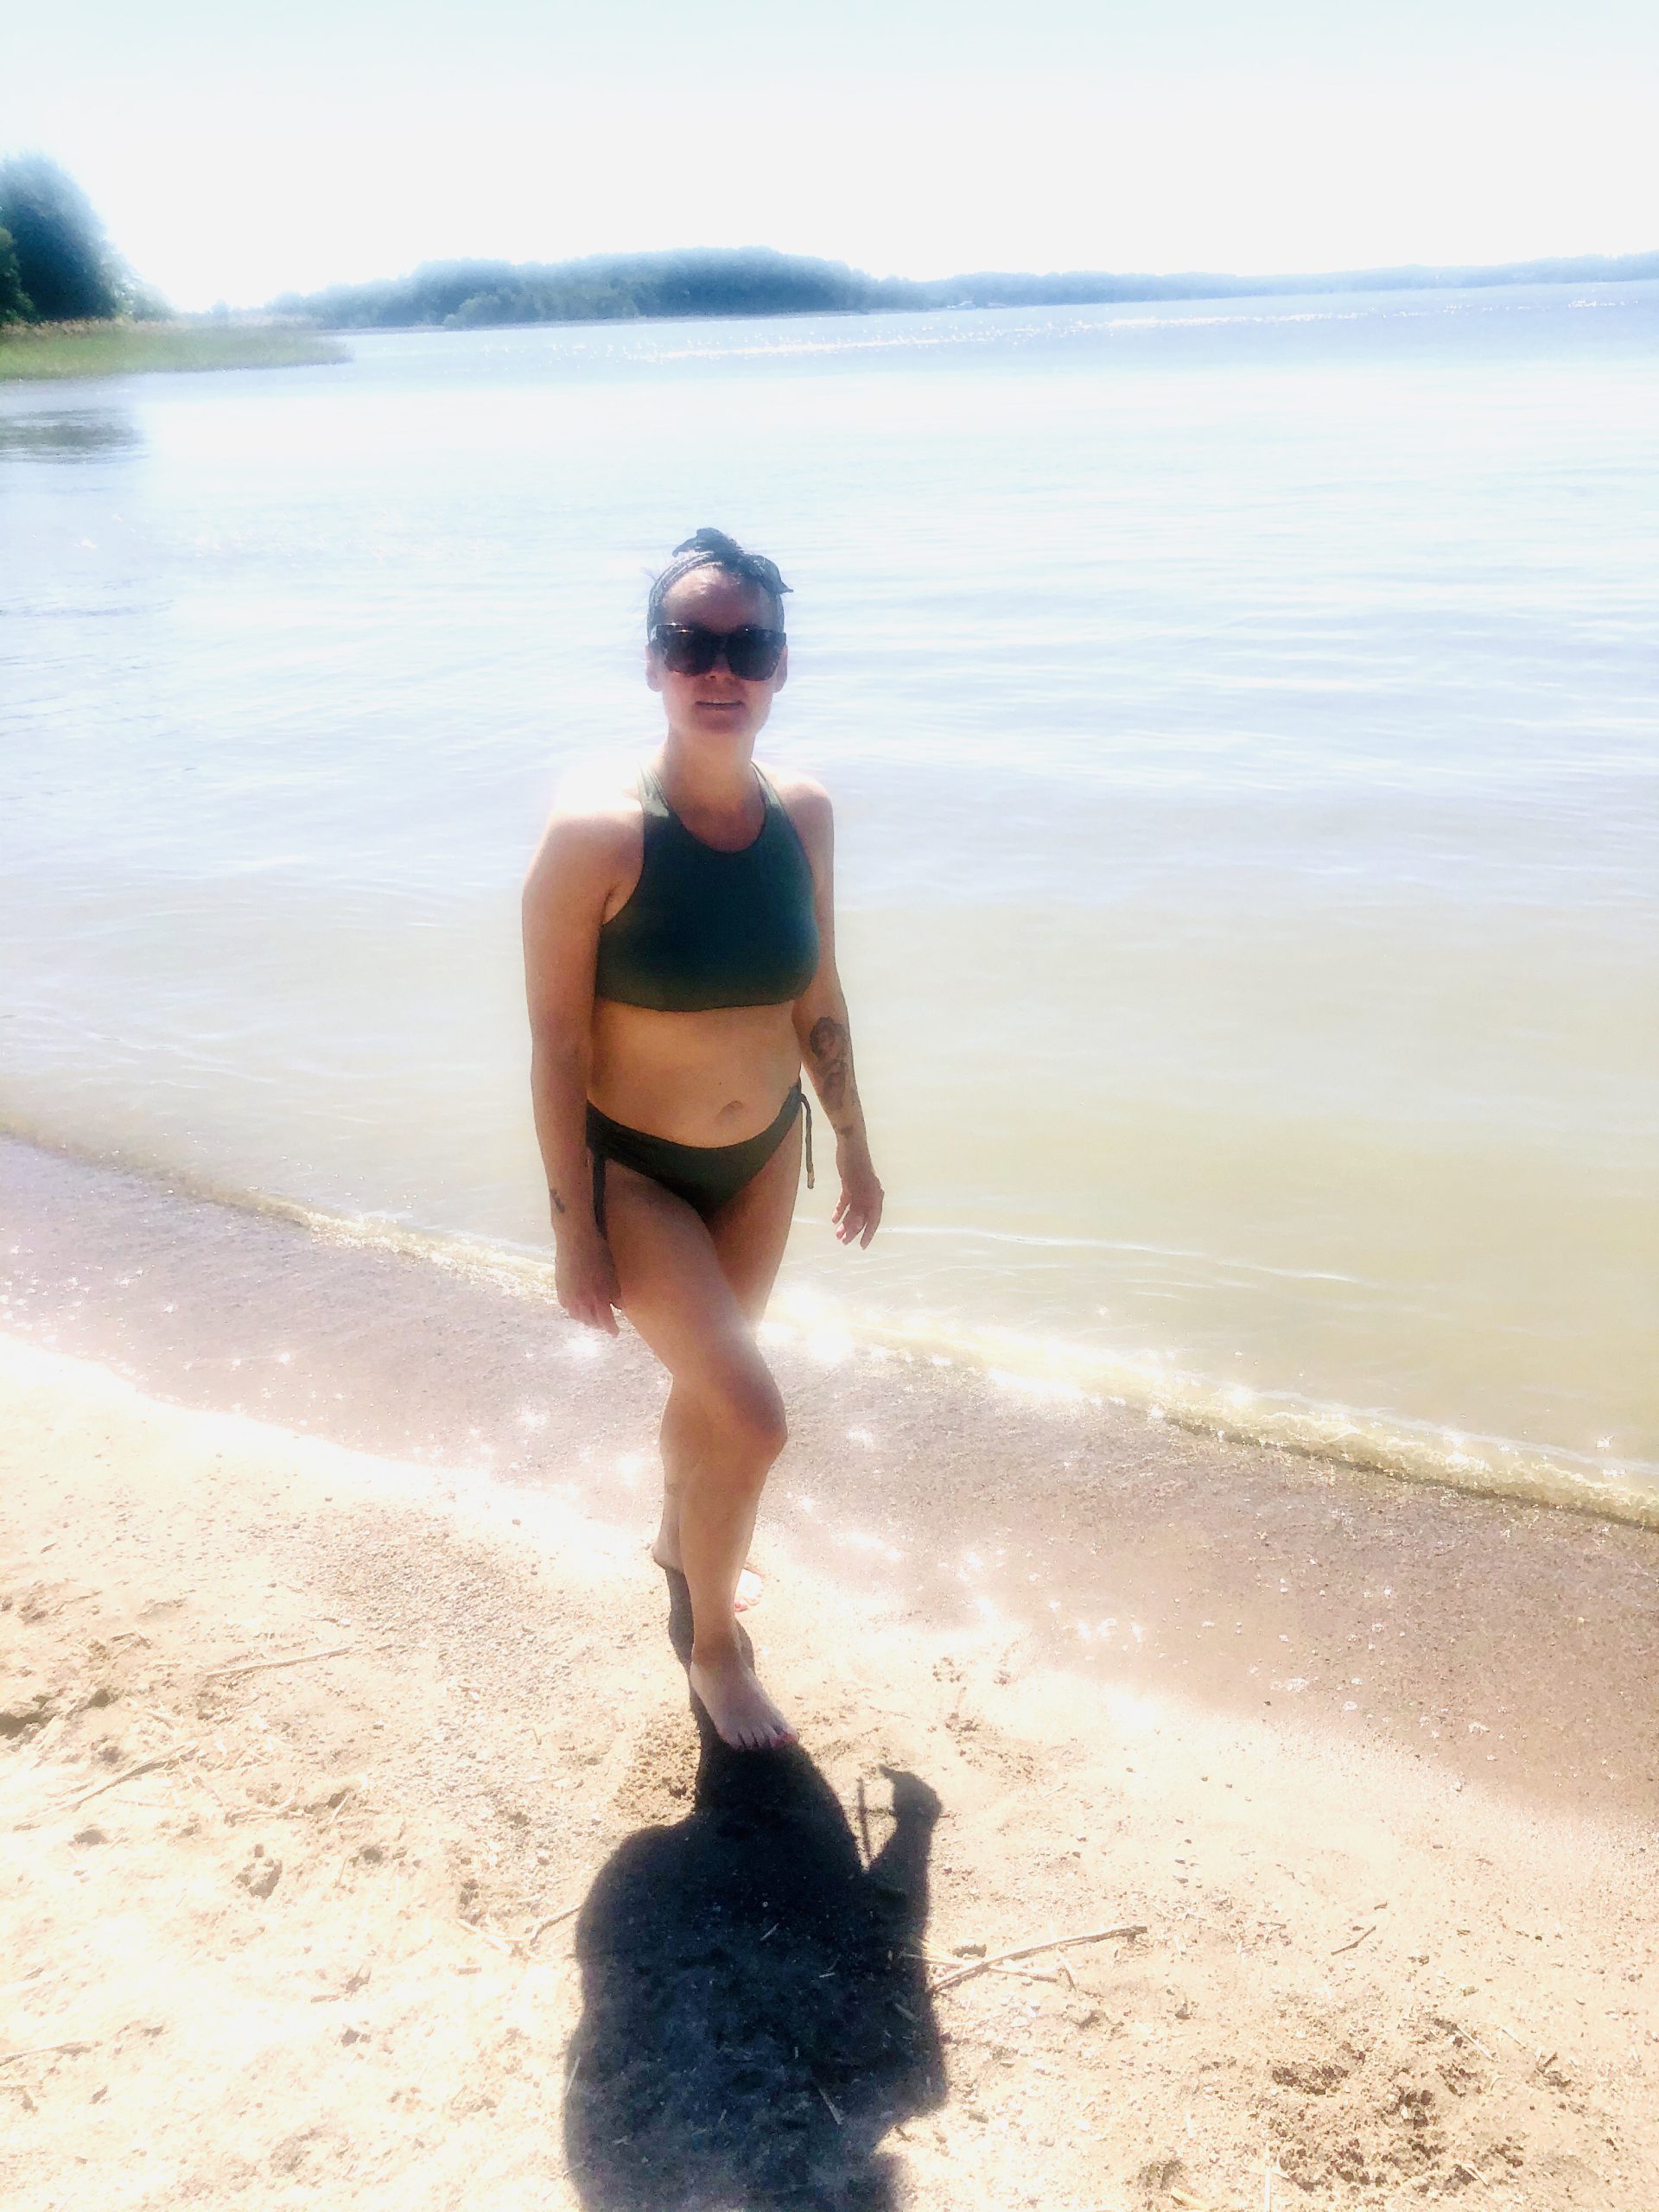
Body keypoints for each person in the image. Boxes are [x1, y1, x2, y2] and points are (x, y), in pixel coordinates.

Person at [522, 529, 883, 1751]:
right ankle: (715, 1648)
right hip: (636, 1173)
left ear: (780, 664)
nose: (719, 669)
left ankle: (683, 1541)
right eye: (690, 643)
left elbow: (819, 993)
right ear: (653, 663)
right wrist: (573, 1231)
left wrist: (855, 1143)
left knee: (711, 1391)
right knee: (755, 1414)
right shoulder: (597, 836)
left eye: (748, 645)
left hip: (765, 1156)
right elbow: (557, 1050)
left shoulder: (805, 813)